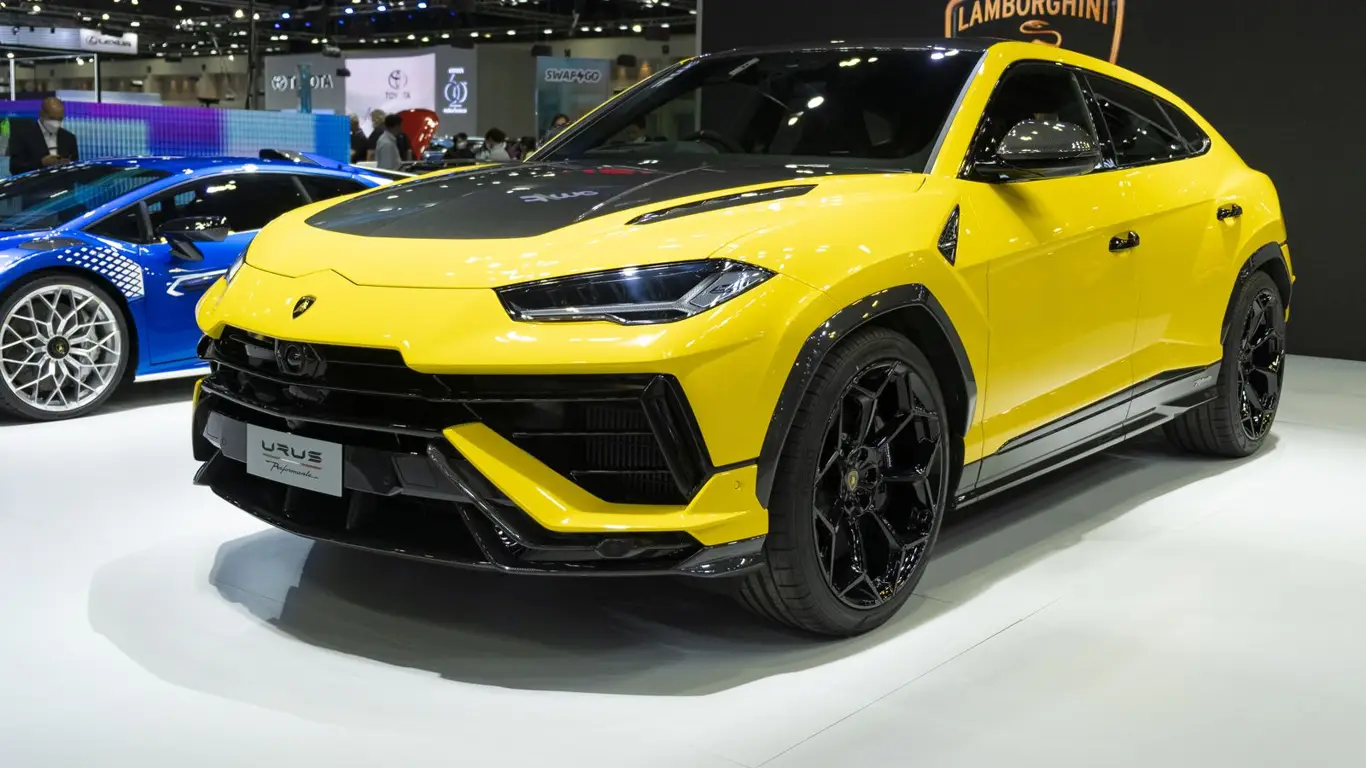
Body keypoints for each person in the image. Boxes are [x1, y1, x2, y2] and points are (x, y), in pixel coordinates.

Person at [7, 97, 78, 175]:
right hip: (35, 182)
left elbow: (75, 170)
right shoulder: (22, 136)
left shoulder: (69, 138)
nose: (56, 122)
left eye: (60, 119)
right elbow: (15, 169)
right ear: (41, 113)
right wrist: (41, 163)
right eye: (52, 118)